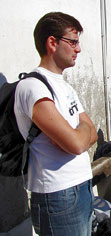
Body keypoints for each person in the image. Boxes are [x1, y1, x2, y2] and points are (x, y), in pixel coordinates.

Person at [14, 12, 97, 235]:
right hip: (58, 196)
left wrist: (78, 134)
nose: (78, 49)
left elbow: (93, 133)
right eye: (73, 42)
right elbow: (77, 144)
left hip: (82, 186)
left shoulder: (65, 86)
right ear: (52, 42)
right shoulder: (32, 86)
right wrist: (79, 133)